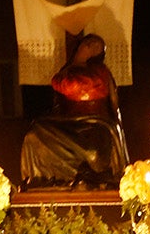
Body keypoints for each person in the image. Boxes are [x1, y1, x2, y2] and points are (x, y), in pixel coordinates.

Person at [19, 33, 130, 189]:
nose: (91, 47)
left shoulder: (100, 72)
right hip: (67, 124)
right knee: (34, 134)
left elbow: (70, 85)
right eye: (89, 43)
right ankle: (39, 180)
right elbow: (58, 84)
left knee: (93, 153)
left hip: (94, 124)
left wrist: (78, 62)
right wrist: (74, 64)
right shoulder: (68, 70)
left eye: (97, 46)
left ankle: (89, 177)